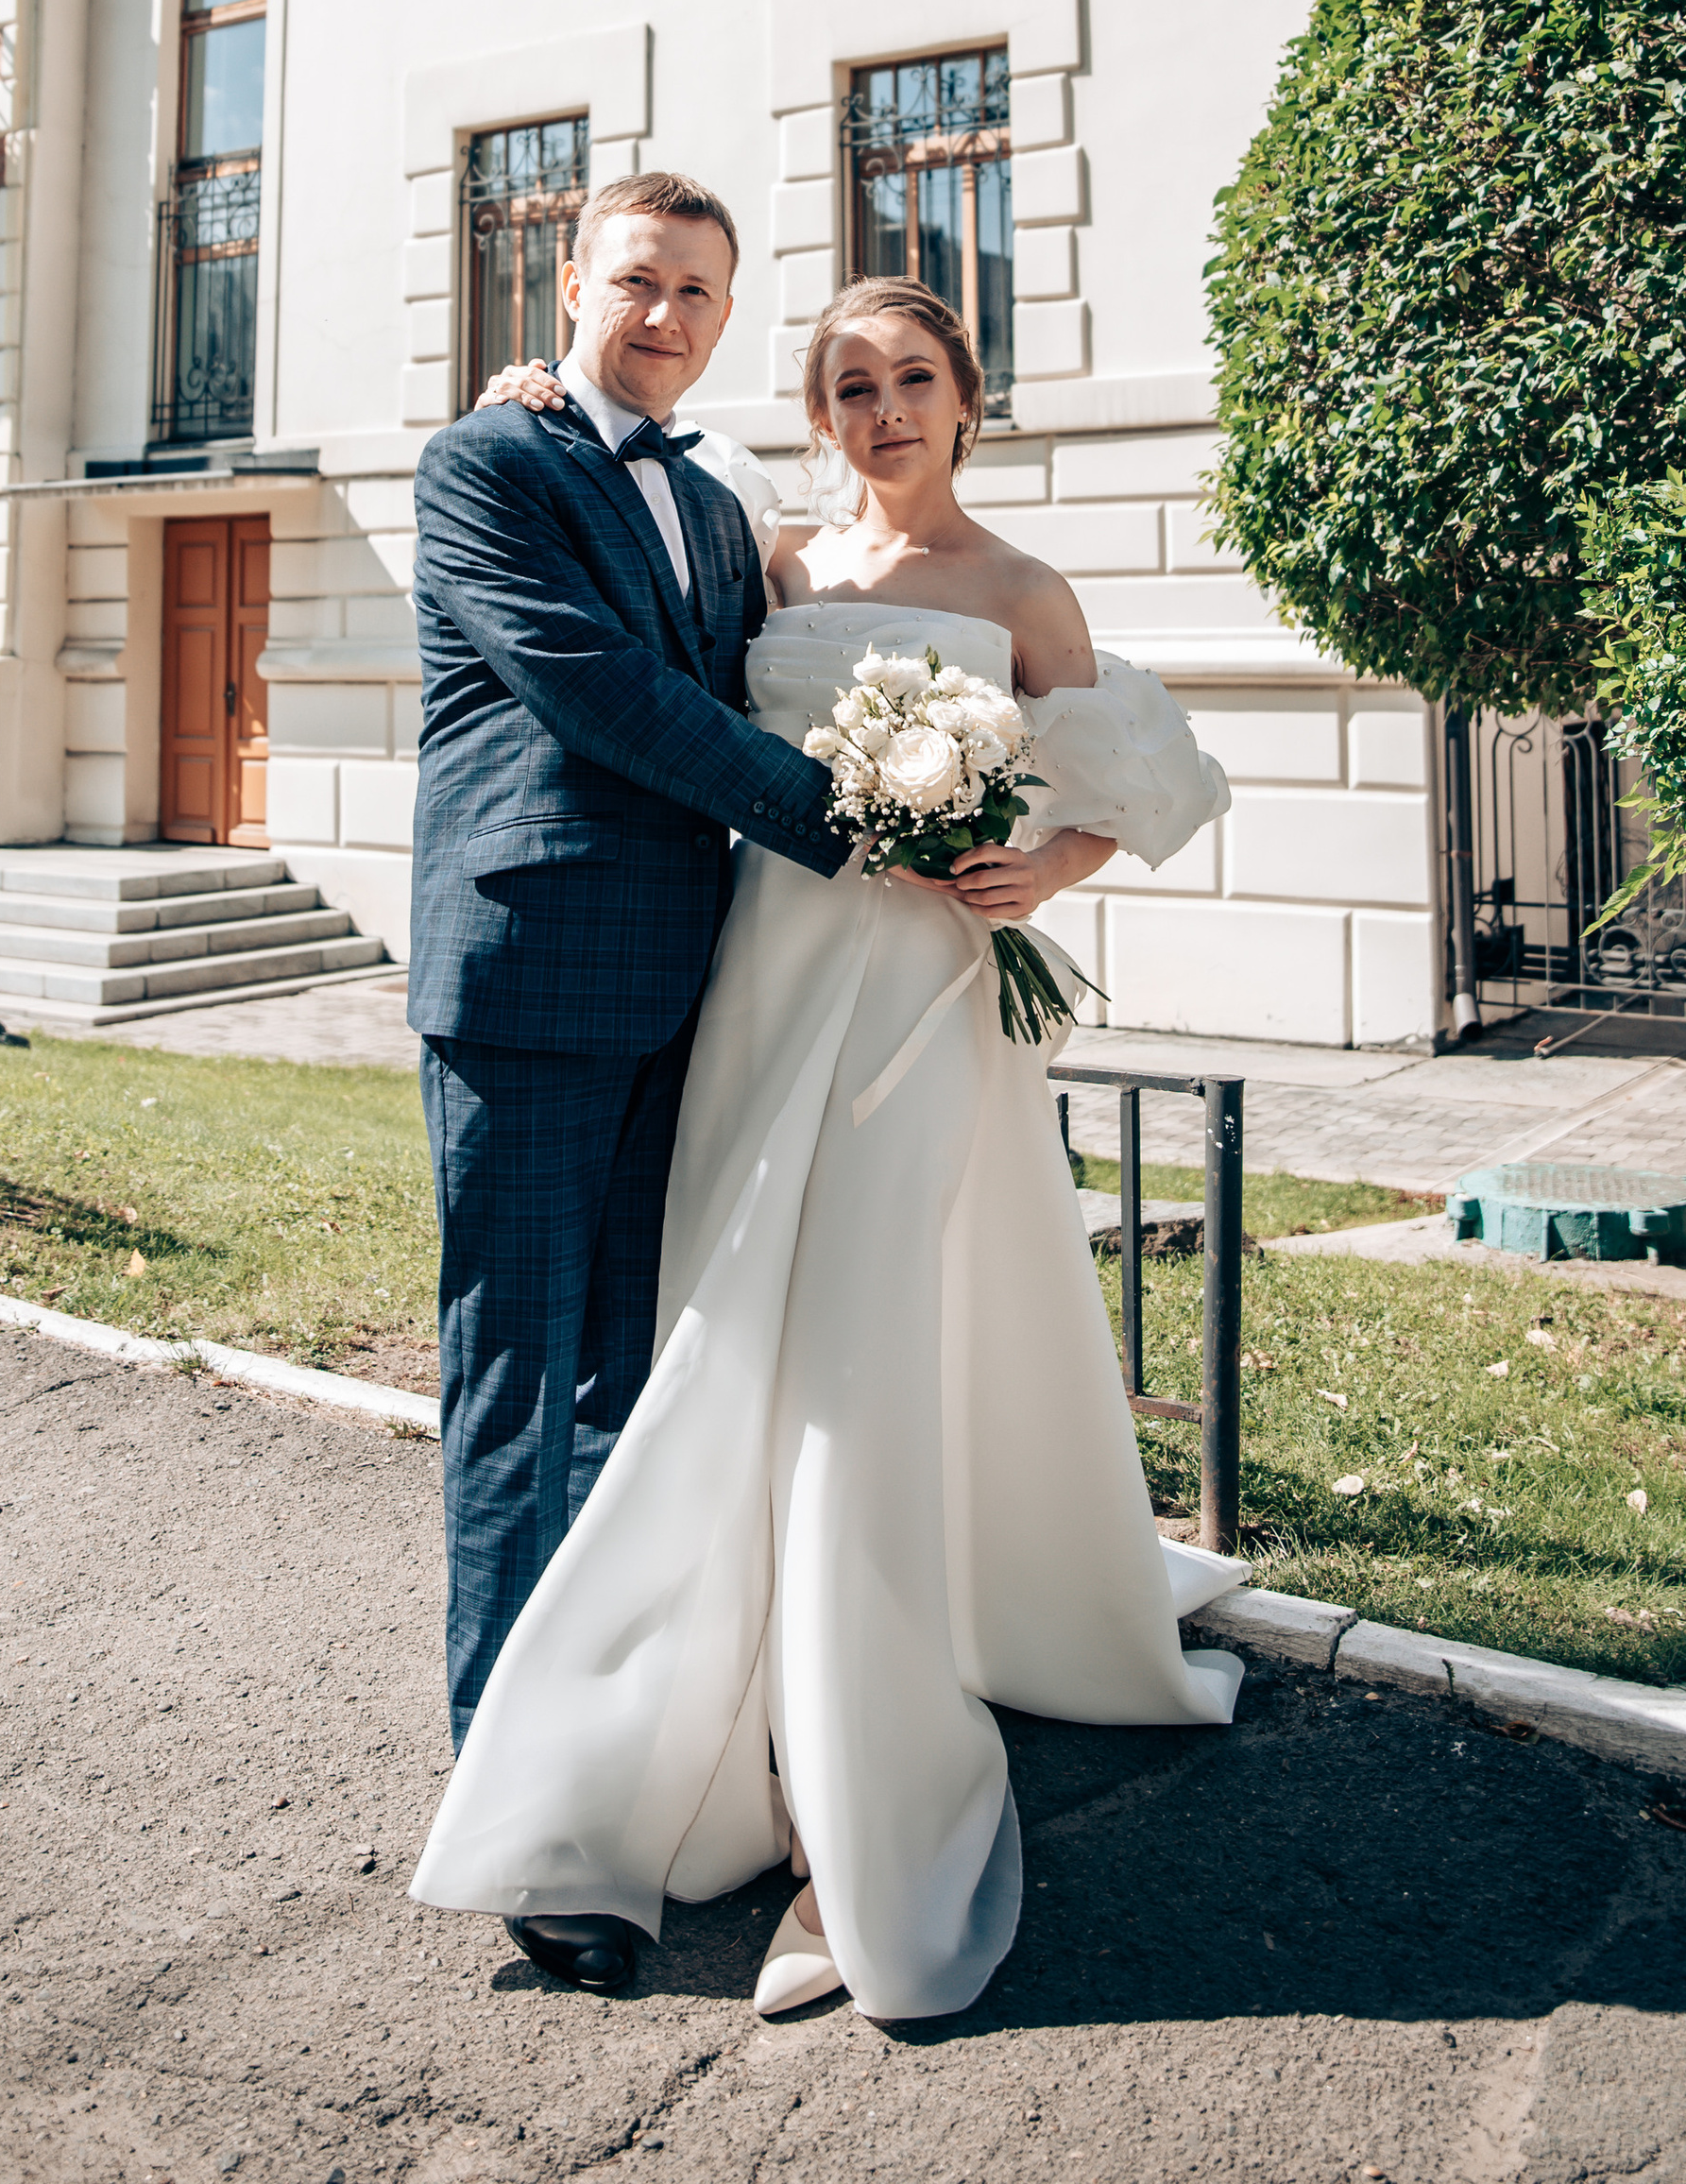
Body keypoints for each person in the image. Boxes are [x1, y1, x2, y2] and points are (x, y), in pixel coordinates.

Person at [411, 276, 1238, 2022]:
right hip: (754, 995)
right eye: (852, 385)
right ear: (817, 414)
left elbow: (1130, 774)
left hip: (922, 1012)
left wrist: (1043, 870)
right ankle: (704, 1726)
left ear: (968, 397)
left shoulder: (1025, 589)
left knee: (863, 1362)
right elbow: (637, 647)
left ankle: (843, 1814)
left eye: (915, 377)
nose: (886, 410)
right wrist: (536, 387)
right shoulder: (769, 566)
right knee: (730, 1359)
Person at [407, 170, 857, 1999]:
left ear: (724, 318)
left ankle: (617, 1771)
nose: (662, 315)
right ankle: (519, 1818)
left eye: (696, 293)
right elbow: (591, 684)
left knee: (630, 1388)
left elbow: (763, 660)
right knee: (519, 1391)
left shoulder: (718, 496)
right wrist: (840, 819)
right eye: (636, 281)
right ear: (569, 284)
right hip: (529, 972)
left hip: (691, 980)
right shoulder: (488, 460)